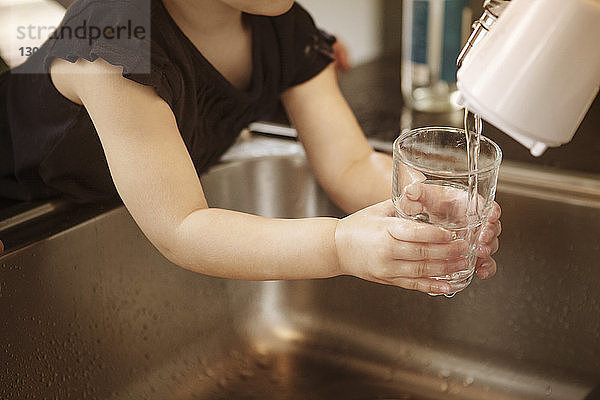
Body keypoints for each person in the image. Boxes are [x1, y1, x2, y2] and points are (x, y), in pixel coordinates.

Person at [0, 0, 501, 295]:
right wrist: (341, 245)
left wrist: (428, 200)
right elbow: (182, 227)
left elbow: (347, 162)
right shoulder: (113, 43)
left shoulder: (281, 27)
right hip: (17, 209)